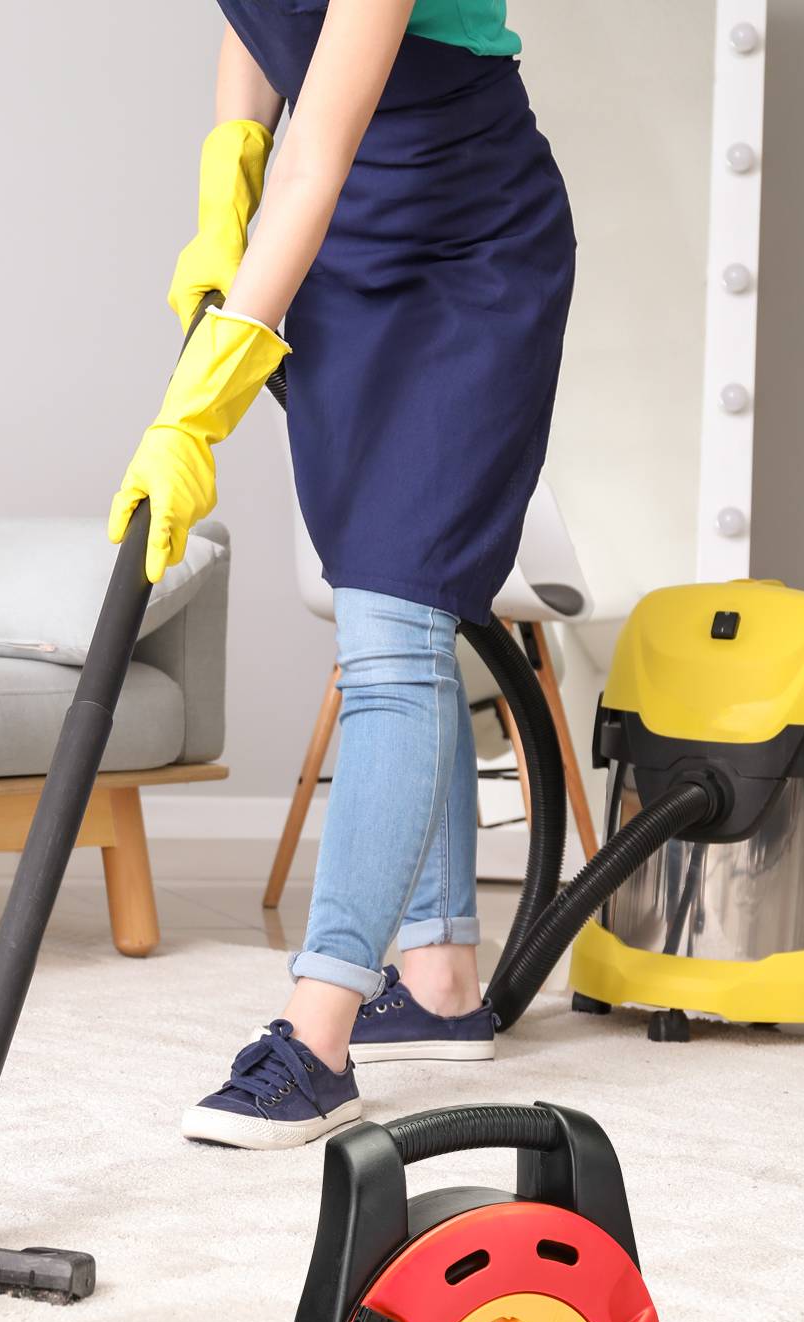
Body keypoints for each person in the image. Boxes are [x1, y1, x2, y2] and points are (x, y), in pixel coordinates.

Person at [110, 0, 575, 1148]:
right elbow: (255, 26)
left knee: (394, 626)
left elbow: (315, 156)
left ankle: (315, 1039)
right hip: (338, 255)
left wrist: (195, 411)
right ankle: (438, 982)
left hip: (465, 246)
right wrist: (227, 170)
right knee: (390, 611)